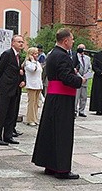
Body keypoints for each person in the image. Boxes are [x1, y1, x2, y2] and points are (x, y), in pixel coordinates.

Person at [32, 28, 85, 180]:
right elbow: (66, 77)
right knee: (62, 133)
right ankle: (61, 169)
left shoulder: (52, 54)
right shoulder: (62, 56)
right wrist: (79, 80)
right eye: (72, 39)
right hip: (62, 99)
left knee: (51, 131)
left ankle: (50, 165)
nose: (73, 42)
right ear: (65, 41)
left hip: (54, 98)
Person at [0, 35, 25, 145]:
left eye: (22, 42)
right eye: (19, 42)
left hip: (14, 88)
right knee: (2, 113)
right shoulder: (7, 54)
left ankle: (8, 135)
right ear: (12, 43)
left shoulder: (18, 56)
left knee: (11, 113)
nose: (21, 44)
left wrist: (22, 79)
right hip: (5, 88)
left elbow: (18, 71)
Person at [23, 47, 43, 126]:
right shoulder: (28, 63)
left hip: (38, 85)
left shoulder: (37, 62)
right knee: (31, 103)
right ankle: (30, 119)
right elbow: (33, 69)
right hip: (32, 85)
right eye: (34, 54)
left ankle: (35, 118)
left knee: (36, 103)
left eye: (37, 53)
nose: (36, 55)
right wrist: (32, 60)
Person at [75, 44, 92, 117]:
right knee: (76, 96)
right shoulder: (75, 57)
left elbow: (90, 69)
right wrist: (80, 77)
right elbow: (75, 68)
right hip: (78, 78)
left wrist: (86, 77)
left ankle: (81, 110)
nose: (82, 50)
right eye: (81, 48)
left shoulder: (87, 58)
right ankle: (74, 110)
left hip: (85, 79)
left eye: (83, 48)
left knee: (84, 96)